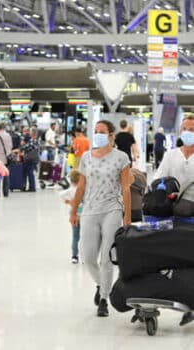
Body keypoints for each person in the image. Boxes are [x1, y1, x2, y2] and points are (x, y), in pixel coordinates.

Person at [69, 120, 133, 317]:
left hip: (112, 210)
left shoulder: (121, 157)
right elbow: (81, 186)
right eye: (95, 131)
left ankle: (104, 299)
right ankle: (102, 284)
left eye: (102, 132)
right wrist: (73, 210)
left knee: (106, 258)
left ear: (111, 135)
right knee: (87, 256)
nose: (97, 134)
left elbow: (125, 188)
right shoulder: (86, 157)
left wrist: (127, 217)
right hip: (89, 210)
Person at [154, 116, 194, 207]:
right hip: (171, 206)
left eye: (191, 130)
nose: (187, 132)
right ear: (180, 132)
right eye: (184, 129)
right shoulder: (170, 155)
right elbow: (158, 178)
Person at [60, 170, 83, 264]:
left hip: (74, 216)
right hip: (85, 216)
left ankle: (74, 256)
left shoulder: (70, 190)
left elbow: (61, 194)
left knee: (75, 237)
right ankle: (85, 256)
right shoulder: (84, 189)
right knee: (85, 237)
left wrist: (68, 202)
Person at [20, 128, 39, 192]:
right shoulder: (36, 140)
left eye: (30, 131)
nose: (29, 133)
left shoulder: (33, 140)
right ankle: (30, 187)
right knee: (30, 173)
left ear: (32, 133)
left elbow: (26, 147)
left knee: (30, 173)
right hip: (33, 158)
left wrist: (21, 147)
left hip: (30, 159)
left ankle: (32, 188)